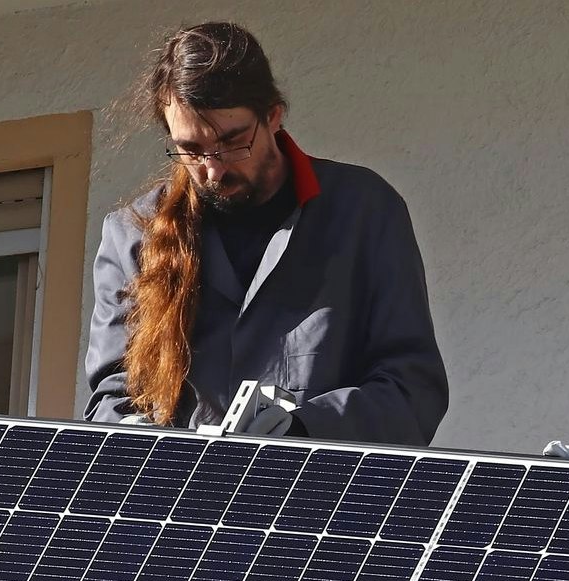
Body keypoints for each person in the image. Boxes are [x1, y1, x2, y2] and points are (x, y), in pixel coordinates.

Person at [85, 22, 449, 444]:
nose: (213, 170)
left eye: (232, 141)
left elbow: (412, 390)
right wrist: (136, 438)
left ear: (273, 115)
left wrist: (304, 427)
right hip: (179, 502)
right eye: (192, 150)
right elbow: (112, 399)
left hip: (328, 498)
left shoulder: (364, 211)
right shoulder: (133, 235)